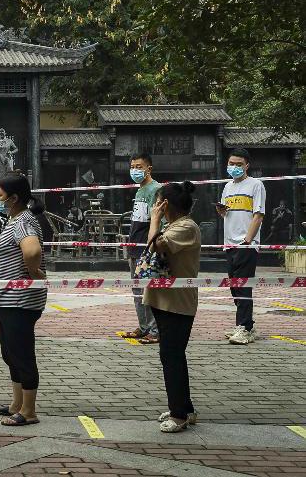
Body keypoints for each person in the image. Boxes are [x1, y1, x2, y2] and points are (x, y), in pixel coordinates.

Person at [0, 173, 49, 427]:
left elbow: (32, 250)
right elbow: (17, 251)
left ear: (13, 198)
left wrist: (34, 272)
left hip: (19, 299)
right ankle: (17, 404)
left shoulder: (23, 220)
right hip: (6, 298)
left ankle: (29, 411)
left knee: (21, 354)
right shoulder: (15, 220)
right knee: (10, 353)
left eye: (0, 195)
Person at [144, 181, 202, 432]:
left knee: (172, 356)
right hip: (166, 300)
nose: (155, 206)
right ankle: (184, 407)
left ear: (165, 204)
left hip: (177, 303)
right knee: (172, 355)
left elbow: (154, 246)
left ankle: (179, 415)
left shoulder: (186, 227)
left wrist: (154, 220)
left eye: (158, 202)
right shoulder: (176, 226)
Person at [217, 148, 266, 345]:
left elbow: (258, 215)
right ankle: (247, 326)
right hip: (229, 243)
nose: (234, 167)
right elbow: (226, 214)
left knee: (243, 286)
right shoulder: (227, 187)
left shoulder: (256, 185)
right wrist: (221, 210)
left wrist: (248, 240)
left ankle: (244, 328)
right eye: (231, 164)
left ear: (247, 166)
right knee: (234, 287)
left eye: (239, 164)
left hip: (246, 244)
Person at [118, 152, 162, 345]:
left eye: (139, 167)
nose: (135, 170)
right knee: (137, 291)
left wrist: (153, 247)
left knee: (149, 291)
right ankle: (144, 327)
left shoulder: (156, 190)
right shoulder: (140, 191)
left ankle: (155, 330)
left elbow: (158, 220)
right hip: (135, 248)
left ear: (148, 169)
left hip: (147, 249)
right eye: (132, 167)